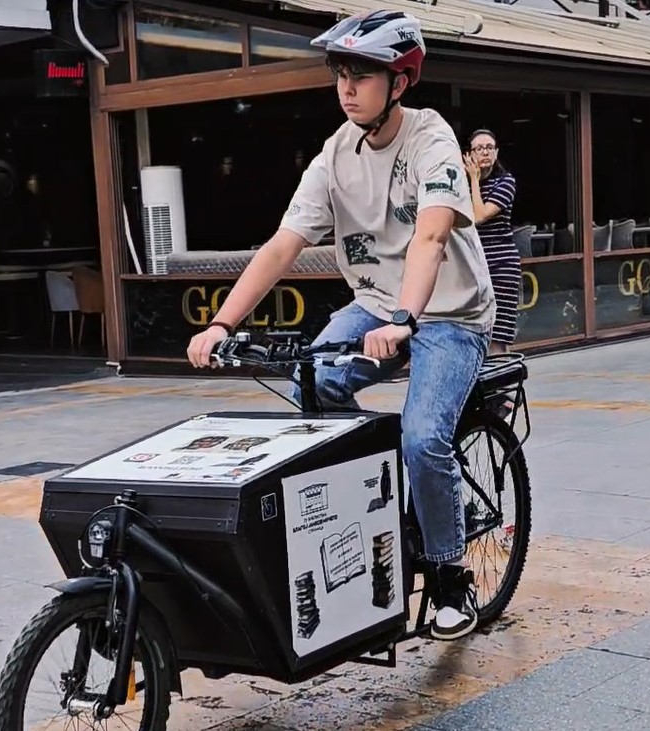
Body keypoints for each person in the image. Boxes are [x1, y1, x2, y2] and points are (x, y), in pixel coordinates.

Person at [184, 8, 496, 641]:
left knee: (424, 437)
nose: (347, 87)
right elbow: (282, 246)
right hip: (376, 306)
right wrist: (220, 323)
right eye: (340, 73)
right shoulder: (335, 154)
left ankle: (448, 572)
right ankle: (358, 515)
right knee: (309, 384)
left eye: (362, 74)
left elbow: (432, 235)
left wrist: (407, 317)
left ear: (399, 82)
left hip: (449, 313)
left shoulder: (430, 139)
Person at [464, 129, 521, 356]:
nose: (485, 152)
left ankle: (504, 387)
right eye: (479, 148)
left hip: (501, 268)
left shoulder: (506, 183)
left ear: (496, 153)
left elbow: (479, 216)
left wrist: (475, 181)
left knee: (497, 336)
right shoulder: (460, 186)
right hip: (474, 269)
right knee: (477, 332)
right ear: (469, 155)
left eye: (489, 147)